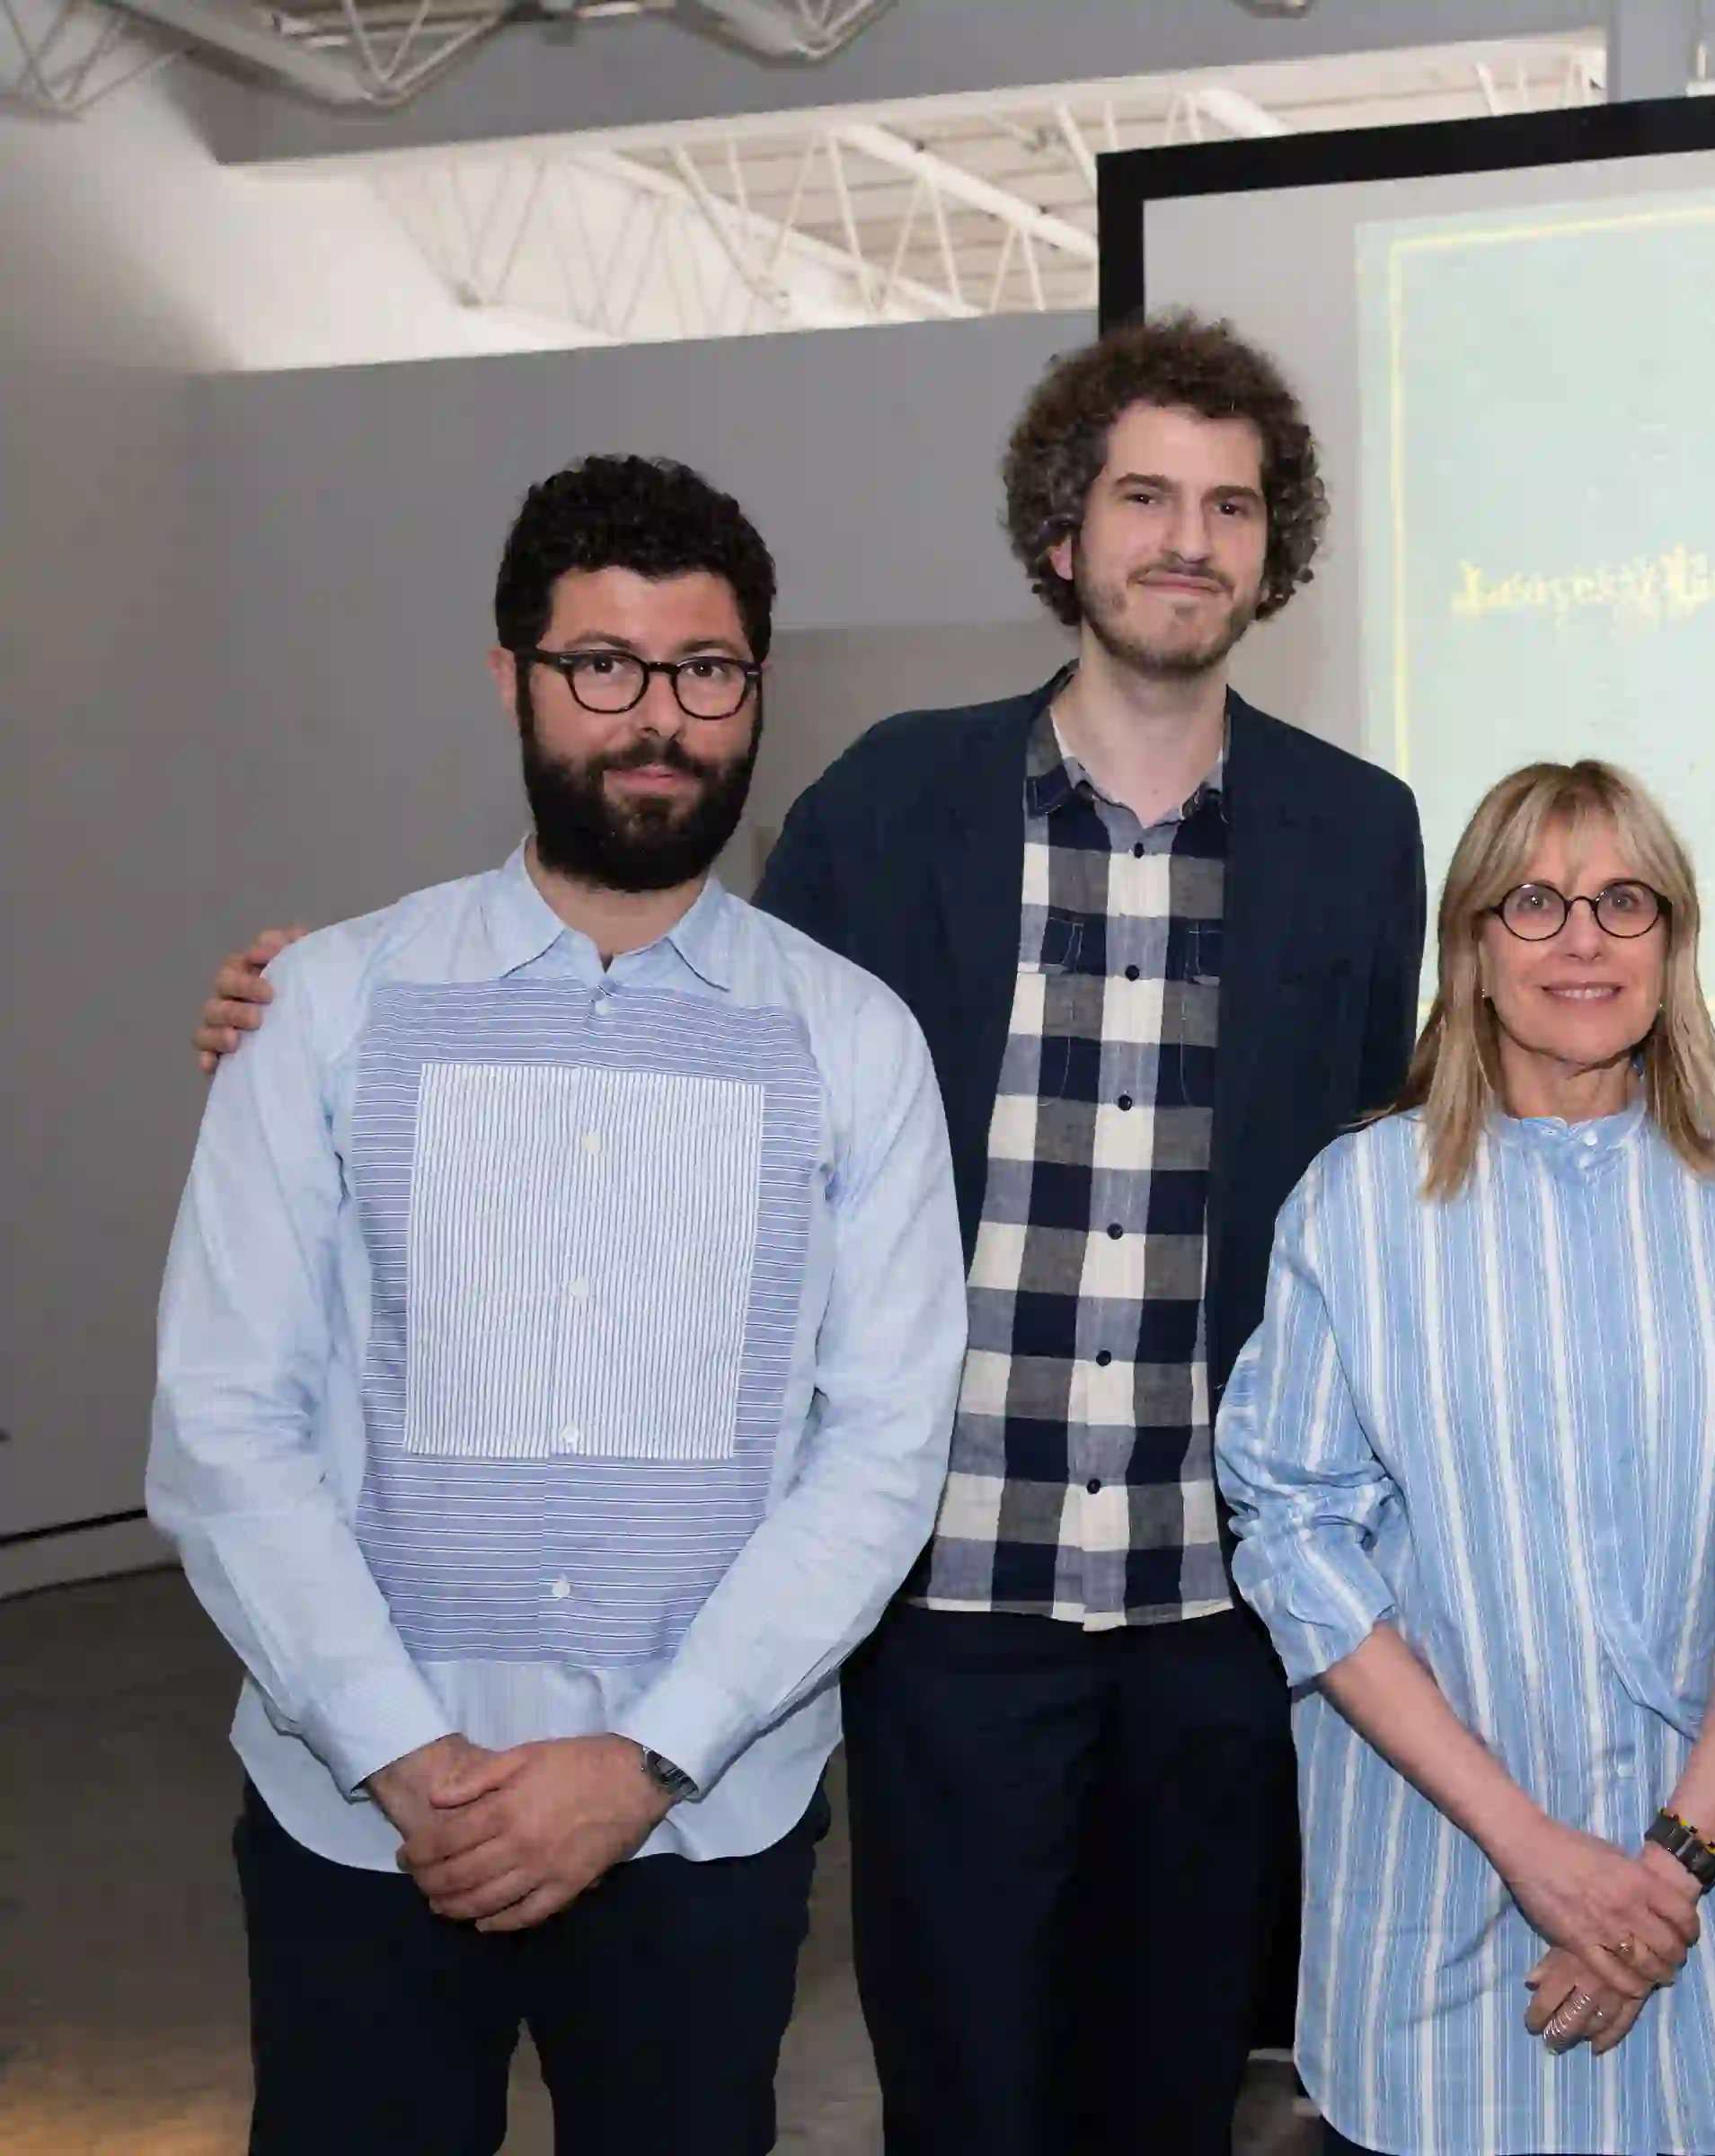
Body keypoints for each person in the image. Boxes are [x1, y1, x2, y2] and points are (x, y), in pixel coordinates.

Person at [185, 315, 1428, 2156]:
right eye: (1145, 495)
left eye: (1231, 504)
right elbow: (691, 1009)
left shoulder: (1361, 831)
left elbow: (1367, 1177)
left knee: (1174, 2087)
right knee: (959, 2094)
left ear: (1276, 543)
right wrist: (310, 1009)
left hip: (1216, 1602)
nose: (1189, 537)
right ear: (1063, 533)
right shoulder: (886, 806)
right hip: (944, 1602)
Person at [146, 454, 967, 2156]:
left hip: (698, 1825)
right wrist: (396, 1753)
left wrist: (642, 1761)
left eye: (705, 672)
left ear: (756, 691)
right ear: (511, 675)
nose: (654, 719)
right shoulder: (325, 1008)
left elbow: (882, 1449)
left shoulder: (856, 1043)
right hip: (360, 1822)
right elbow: (227, 1419)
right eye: (602, 664)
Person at [1216, 760, 1715, 2156]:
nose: (1584, 937)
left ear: (1673, 944)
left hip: (1707, 1906)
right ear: (1474, 953)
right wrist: (1537, 1854)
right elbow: (1294, 1539)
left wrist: (1666, 1869)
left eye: (1624, 900)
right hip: (1437, 1893)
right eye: (1534, 902)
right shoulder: (1358, 1201)